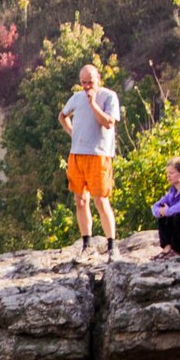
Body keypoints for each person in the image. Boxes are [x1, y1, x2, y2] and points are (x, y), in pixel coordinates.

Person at [60, 62, 122, 256]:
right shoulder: (76, 98)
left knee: (101, 201)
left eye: (90, 82)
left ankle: (112, 245)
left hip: (99, 154)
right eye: (83, 82)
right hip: (77, 154)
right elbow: (62, 116)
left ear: (98, 80)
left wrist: (93, 103)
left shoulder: (109, 96)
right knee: (80, 200)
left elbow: (108, 123)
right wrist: (72, 132)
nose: (87, 86)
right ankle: (87, 244)